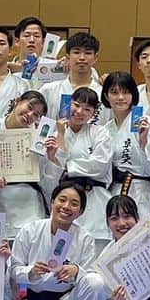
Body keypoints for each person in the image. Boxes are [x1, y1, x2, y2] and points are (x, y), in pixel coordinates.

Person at [2, 180, 100, 300]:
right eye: (62, 200)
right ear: (52, 202)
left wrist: (76, 270)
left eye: (74, 203)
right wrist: (30, 273)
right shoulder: (29, 230)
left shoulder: (85, 238)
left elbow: (91, 276)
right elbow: (14, 270)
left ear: (81, 211)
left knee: (96, 282)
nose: (66, 206)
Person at [43, 86, 113, 247]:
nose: (80, 111)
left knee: (94, 249)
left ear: (93, 113)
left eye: (87, 109)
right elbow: (51, 173)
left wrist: (67, 167)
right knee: (63, 250)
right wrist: (61, 134)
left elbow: (99, 165)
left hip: (95, 198)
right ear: (68, 104)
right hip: (66, 200)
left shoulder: (100, 132)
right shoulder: (54, 134)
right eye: (76, 105)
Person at [0, 90, 50, 238]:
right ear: (17, 101)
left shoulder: (39, 139)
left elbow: (46, 179)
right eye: (29, 108)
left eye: (36, 115)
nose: (30, 115)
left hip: (30, 204)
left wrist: (52, 156)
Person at [101, 71, 150, 219]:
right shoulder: (106, 129)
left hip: (140, 191)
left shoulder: (143, 121)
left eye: (126, 92)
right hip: (114, 191)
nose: (120, 97)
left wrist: (144, 142)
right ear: (107, 96)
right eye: (114, 92)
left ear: (133, 95)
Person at [40, 32, 103, 120]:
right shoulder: (49, 90)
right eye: (76, 52)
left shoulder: (103, 93)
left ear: (95, 58)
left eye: (88, 53)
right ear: (68, 56)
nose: (82, 57)